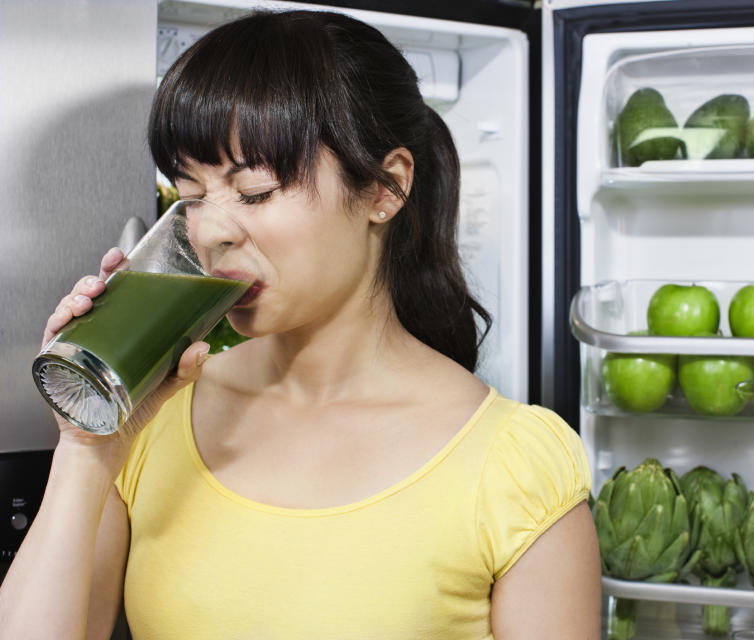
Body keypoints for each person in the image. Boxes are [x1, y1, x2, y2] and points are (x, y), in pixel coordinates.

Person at [0, 9, 601, 640]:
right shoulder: (151, 420)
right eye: (189, 193)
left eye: (255, 191)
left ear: (385, 189)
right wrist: (86, 449)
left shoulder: (512, 465)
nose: (210, 230)